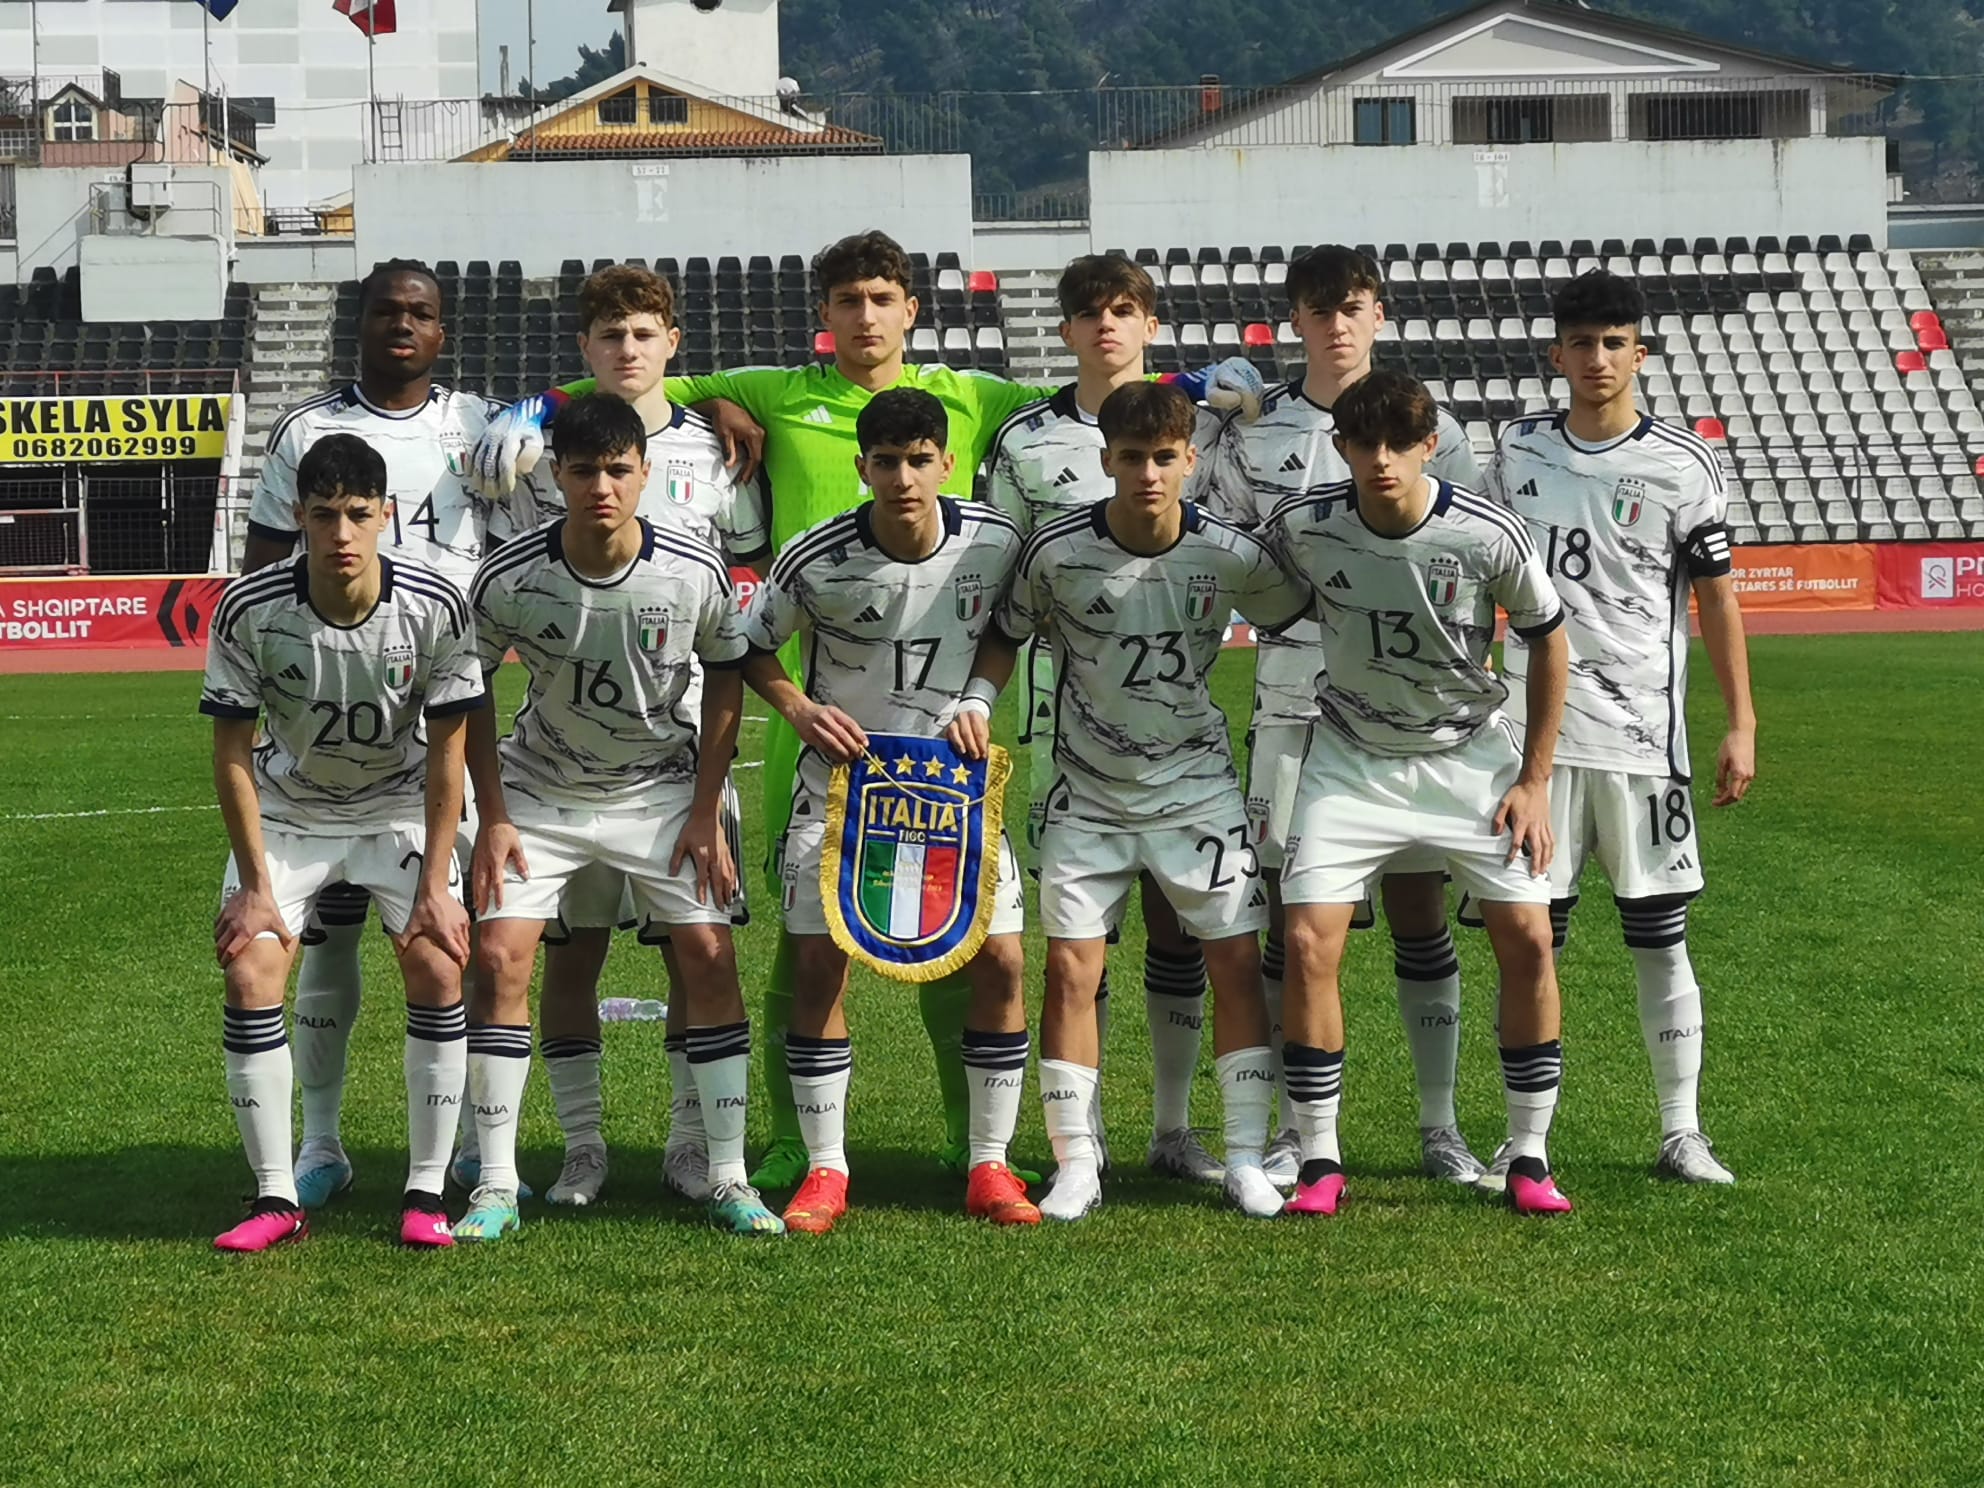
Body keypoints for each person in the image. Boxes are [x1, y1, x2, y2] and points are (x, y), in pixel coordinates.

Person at [468, 230, 1268, 1190]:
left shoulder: (972, 398)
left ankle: (977, 1147)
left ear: (910, 311)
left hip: (950, 730)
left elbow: (1099, 396)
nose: (865, 316)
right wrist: (536, 405)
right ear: (826, 317)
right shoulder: (772, 391)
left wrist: (1192, 373)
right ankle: (785, 1145)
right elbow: (641, 386)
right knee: (802, 947)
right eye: (847, 300)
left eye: (882, 298)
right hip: (819, 725)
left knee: (970, 941)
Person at [951, 381, 1308, 1221]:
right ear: (1104, 460)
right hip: (1088, 795)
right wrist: (974, 697)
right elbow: (1005, 630)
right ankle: (1078, 1163)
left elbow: (1299, 608)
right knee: (1073, 968)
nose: (1148, 473)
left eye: (1164, 458)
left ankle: (1250, 1156)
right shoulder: (1056, 551)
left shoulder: (1230, 551)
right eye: (1131, 458)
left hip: (1197, 791)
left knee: (1232, 964)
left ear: (1190, 459)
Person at [469, 263, 771, 1210]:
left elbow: (738, 616)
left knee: (702, 955)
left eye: (645, 332)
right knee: (562, 954)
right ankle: (569, 1154)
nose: (628, 348)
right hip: (555, 773)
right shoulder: (533, 448)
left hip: (674, 759)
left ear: (672, 342)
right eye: (610, 333)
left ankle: (701, 1152)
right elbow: (468, 671)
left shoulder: (717, 448)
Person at [1200, 244, 1487, 1186]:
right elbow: (1222, 548)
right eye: (1319, 308)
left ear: (1379, 312)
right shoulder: (1257, 432)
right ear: (1295, 319)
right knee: (1296, 920)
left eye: (1352, 305)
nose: (1336, 323)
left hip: (1413, 710)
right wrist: (1206, 425)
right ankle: (1296, 1126)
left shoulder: (1429, 428)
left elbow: (1479, 558)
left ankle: (1439, 1126)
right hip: (1294, 700)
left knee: (1416, 909)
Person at [1258, 371, 1574, 1218]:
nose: (1382, 460)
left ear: (1430, 444)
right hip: (1351, 760)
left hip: (1469, 758)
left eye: (1400, 443)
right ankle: (1320, 1157)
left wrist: (1534, 780)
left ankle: (1530, 1155)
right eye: (1365, 444)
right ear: (1344, 448)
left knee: (1529, 941)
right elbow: (1240, 576)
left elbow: (1551, 643)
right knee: (1309, 941)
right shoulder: (1304, 527)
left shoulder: (1485, 534)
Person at [238, 258, 510, 1210]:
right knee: (327, 936)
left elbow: (602, 422)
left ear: (444, 330)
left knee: (448, 934)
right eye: (388, 311)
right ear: (360, 322)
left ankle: (466, 1151)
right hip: (331, 704)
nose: (404, 325)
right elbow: (266, 568)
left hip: (443, 691)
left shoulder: (482, 425)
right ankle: (319, 1144)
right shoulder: (308, 429)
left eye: (422, 313)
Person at [742, 388, 1038, 1231]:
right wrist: (800, 712)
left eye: (920, 459)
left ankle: (990, 1164)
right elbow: (750, 645)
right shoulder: (815, 557)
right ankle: (827, 1170)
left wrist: (979, 696)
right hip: (843, 790)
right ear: (862, 467)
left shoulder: (995, 540)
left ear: (947, 462)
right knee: (814, 966)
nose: (904, 477)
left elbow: (1008, 629)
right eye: (886, 462)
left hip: (954, 790)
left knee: (1005, 963)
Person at [1485, 268, 1756, 1186]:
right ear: (1555, 354)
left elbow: (1717, 598)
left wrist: (1741, 722)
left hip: (1646, 742)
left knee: (1660, 935)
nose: (1598, 359)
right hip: (1538, 748)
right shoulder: (1516, 451)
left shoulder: (1683, 464)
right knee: (1531, 940)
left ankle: (1682, 1131)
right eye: (1582, 343)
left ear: (1640, 352)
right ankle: (1527, 1140)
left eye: (1616, 342)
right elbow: (1486, 578)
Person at [201, 433, 486, 1251]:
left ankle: (425, 1192)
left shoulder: (436, 607)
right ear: (299, 517)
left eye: (359, 514)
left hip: (398, 806)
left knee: (436, 959)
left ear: (386, 514)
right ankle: (274, 1198)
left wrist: (435, 884)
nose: (341, 534)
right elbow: (230, 756)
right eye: (323, 515)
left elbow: (448, 756)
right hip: (292, 811)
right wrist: (256, 886)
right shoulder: (250, 609)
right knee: (253, 963)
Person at [986, 253, 1228, 1185]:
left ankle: (1173, 1131)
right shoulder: (1023, 442)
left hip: (1180, 735)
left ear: (1149, 324)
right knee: (1078, 947)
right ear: (1067, 329)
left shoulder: (1204, 428)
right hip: (1065, 735)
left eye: (1124, 310)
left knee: (1180, 929)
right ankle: (1076, 1153)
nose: (1106, 327)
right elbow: (1005, 579)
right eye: (1088, 312)